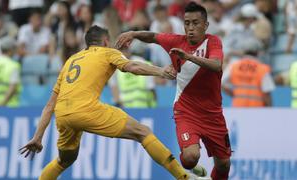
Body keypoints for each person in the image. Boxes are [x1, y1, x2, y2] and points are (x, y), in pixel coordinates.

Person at [20, 25, 189, 180]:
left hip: (63, 115)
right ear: (106, 41)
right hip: (86, 110)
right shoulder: (108, 52)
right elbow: (133, 67)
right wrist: (161, 71)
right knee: (142, 132)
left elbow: (50, 105)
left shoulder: (70, 61)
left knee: (64, 160)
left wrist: (37, 137)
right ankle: (184, 177)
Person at [116, 2, 231, 179]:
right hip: (186, 111)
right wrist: (133, 33)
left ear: (206, 25)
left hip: (213, 115)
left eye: (195, 23)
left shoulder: (213, 42)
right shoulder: (175, 41)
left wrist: (188, 57)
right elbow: (153, 36)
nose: (190, 28)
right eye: (187, 23)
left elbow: (216, 65)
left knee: (223, 164)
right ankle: (188, 166)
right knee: (191, 158)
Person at [222, 38, 275, 107]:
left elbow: (222, 84)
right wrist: (270, 109)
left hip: (238, 108)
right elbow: (267, 93)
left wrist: (234, 95)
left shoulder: (234, 66)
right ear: (258, 52)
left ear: (243, 51)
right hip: (257, 110)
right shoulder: (262, 68)